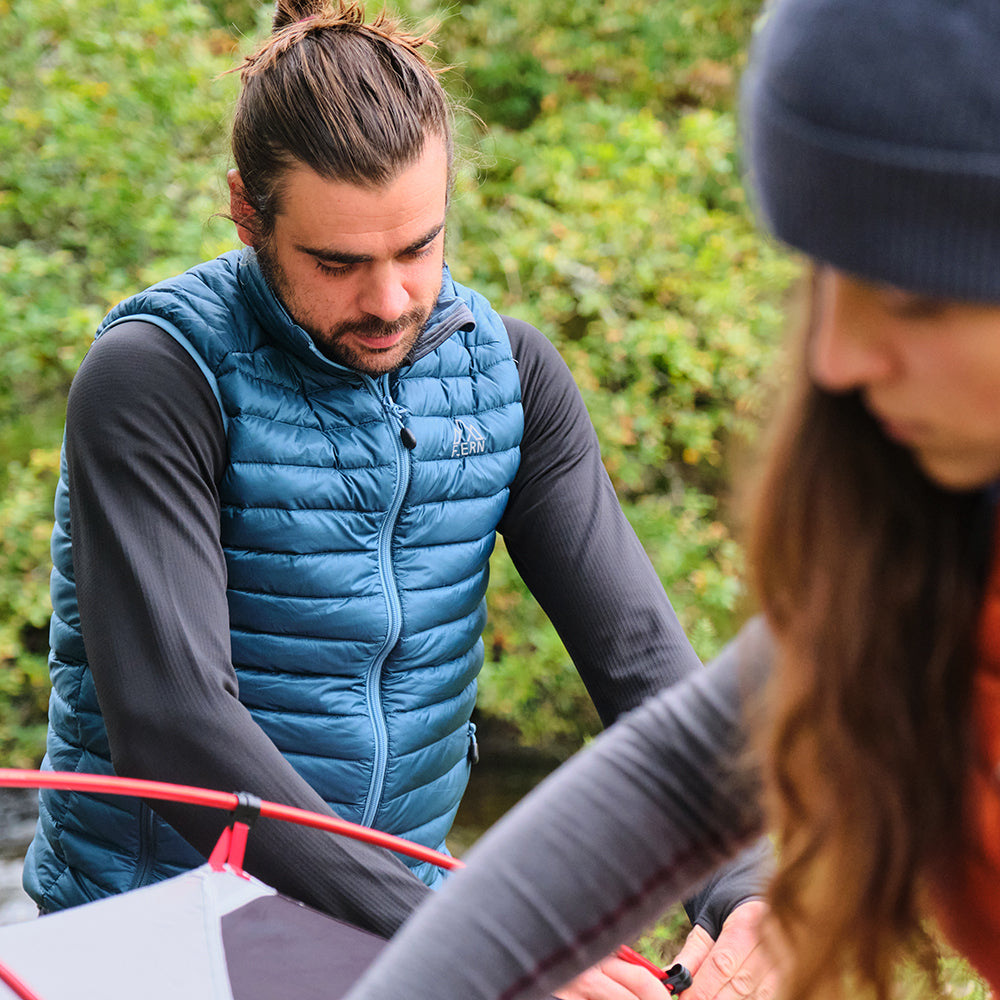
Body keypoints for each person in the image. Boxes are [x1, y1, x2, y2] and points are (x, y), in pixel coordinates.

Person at [22, 2, 773, 998]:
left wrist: (742, 882)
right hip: (155, 922)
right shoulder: (157, 376)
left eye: (418, 248)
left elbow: (639, 658)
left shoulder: (506, 376)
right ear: (247, 214)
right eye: (338, 263)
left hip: (391, 921)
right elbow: (176, 721)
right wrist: (482, 939)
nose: (389, 300)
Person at [336, 0, 1000, 997]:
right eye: (819, 277)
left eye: (913, 297)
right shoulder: (936, 543)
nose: (834, 356)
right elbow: (679, 776)